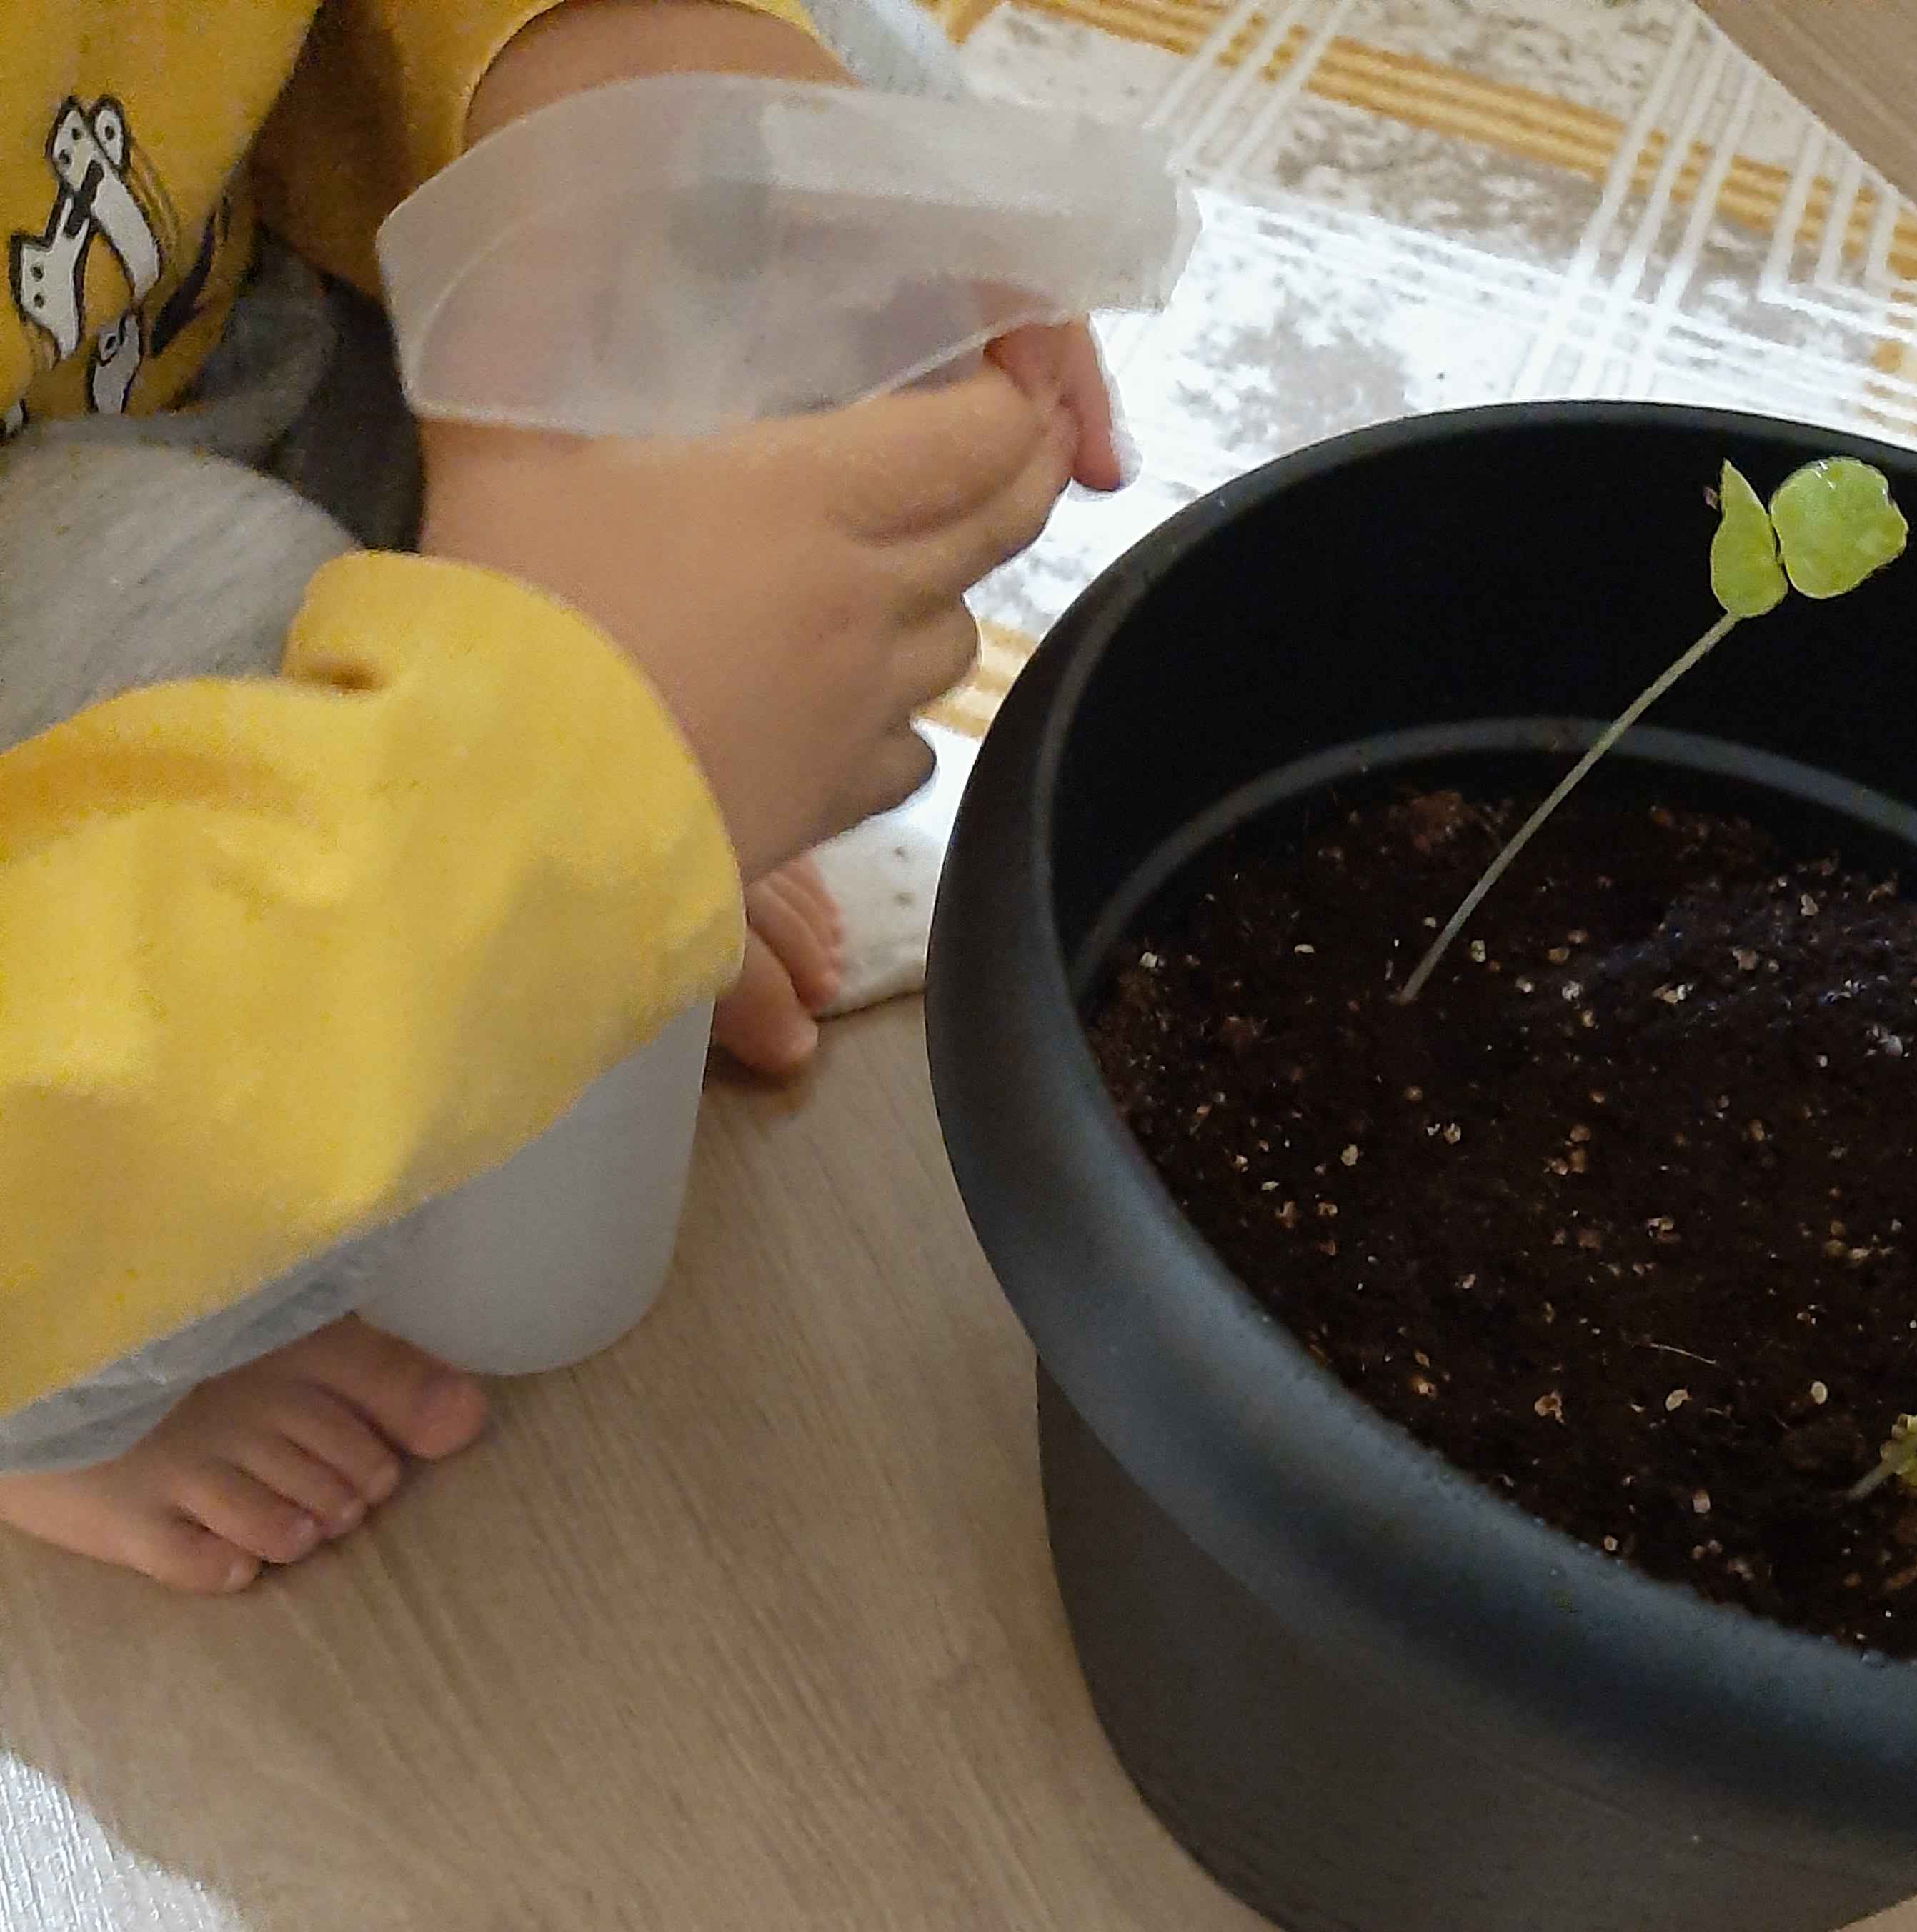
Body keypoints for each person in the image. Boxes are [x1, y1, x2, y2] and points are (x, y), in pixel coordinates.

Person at [0, 0, 1122, 1592]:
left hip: (192, 307)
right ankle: (53, 1411)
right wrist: (537, 808)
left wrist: (571, 63)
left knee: (819, 129)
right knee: (215, 625)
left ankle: (599, 843)